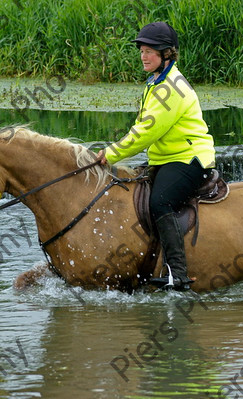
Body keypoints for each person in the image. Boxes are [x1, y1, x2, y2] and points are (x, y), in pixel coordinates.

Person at [97, 21, 216, 291]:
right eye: (141, 50)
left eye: (150, 51)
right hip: (165, 158)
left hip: (189, 158)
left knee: (161, 202)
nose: (143, 56)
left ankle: (179, 275)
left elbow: (146, 133)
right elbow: (141, 126)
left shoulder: (170, 88)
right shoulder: (155, 81)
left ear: (166, 54)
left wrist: (111, 154)